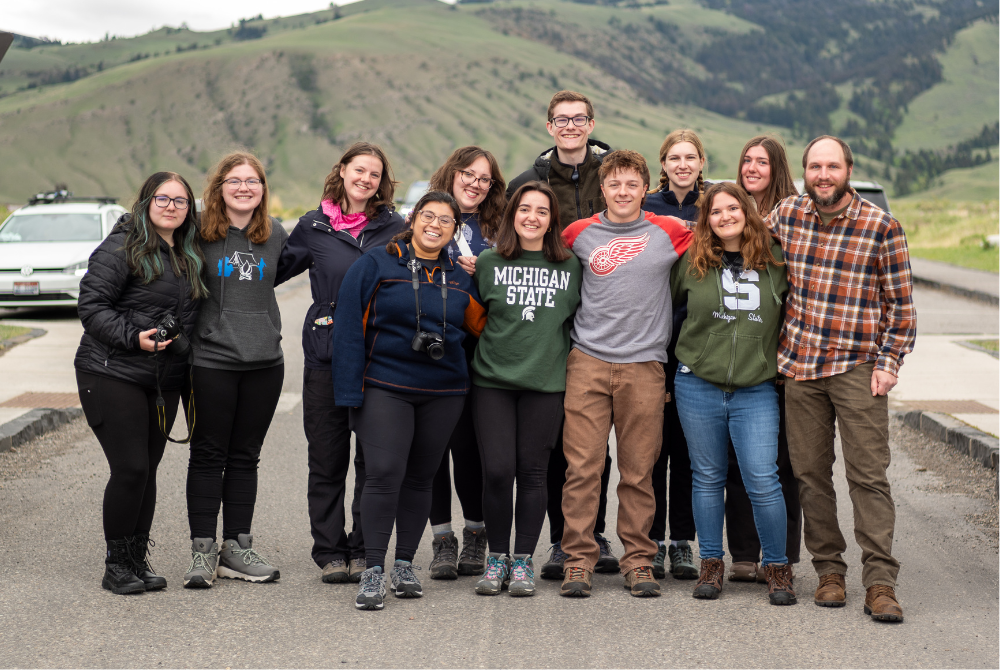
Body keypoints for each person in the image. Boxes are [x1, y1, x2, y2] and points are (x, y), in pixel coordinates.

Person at [765, 135, 915, 622]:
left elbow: (902, 307)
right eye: (814, 166)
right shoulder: (787, 215)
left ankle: (880, 583)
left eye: (832, 166)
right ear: (803, 171)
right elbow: (735, 234)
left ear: (848, 169)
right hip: (801, 370)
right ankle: (830, 572)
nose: (823, 175)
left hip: (858, 370)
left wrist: (889, 363)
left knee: (868, 478)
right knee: (810, 478)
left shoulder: (881, 226)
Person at [333, 191, 486, 611]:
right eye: (428, 216)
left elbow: (482, 326)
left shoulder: (459, 275)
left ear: (455, 230)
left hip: (444, 392)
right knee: (384, 472)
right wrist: (349, 395)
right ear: (414, 219)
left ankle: (403, 564)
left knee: (420, 477)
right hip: (385, 386)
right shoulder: (377, 264)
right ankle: (373, 570)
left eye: (446, 221)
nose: (435, 225)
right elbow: (348, 328)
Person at [558, 149, 692, 598]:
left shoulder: (669, 232)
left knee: (638, 471)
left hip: (644, 367)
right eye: (614, 183)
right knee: (582, 468)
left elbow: (720, 238)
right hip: (588, 362)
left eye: (631, 183)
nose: (622, 191)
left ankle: (638, 560)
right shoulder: (578, 234)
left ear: (645, 188)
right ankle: (578, 560)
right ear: (602, 188)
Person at [276, 142, 405, 585]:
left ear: (382, 182)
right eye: (359, 170)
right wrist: (222, 261)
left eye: (374, 173)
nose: (366, 179)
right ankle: (330, 550)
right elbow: (272, 270)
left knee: (372, 461)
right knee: (327, 459)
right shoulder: (313, 226)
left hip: (378, 358)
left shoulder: (395, 227)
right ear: (343, 172)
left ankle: (363, 549)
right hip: (326, 356)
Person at [75, 172, 206, 594]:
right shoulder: (122, 245)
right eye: (163, 198)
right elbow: (92, 306)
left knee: (148, 470)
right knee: (130, 468)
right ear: (146, 201)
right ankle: (116, 565)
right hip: (111, 371)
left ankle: (135, 558)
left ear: (190, 209)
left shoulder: (187, 250)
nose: (172, 206)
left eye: (181, 201)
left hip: (162, 376)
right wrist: (134, 337)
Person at [507, 89, 619, 578]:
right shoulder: (526, 182)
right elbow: (508, 241)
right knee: (561, 443)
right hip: (550, 320)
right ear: (548, 126)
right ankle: (561, 539)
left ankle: (593, 533)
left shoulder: (615, 176)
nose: (570, 126)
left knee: (600, 447)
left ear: (591, 124)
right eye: (561, 119)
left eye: (579, 118)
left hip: (607, 319)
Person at [670, 182, 795, 606]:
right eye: (715, 212)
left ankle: (777, 567)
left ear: (747, 211)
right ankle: (710, 564)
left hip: (755, 388)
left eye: (732, 209)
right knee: (707, 478)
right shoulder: (692, 261)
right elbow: (671, 311)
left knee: (763, 479)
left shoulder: (777, 260)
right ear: (706, 220)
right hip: (697, 383)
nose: (724, 217)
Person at [470, 182, 582, 597]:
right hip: (492, 381)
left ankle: (522, 562)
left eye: (542, 211)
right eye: (524, 209)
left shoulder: (570, 265)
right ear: (512, 214)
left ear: (553, 220)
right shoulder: (488, 261)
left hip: (545, 383)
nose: (532, 217)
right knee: (498, 471)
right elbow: (476, 315)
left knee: (533, 473)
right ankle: (496, 557)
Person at [183, 152, 289, 588]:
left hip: (265, 362)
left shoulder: (276, 234)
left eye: (253, 181)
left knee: (246, 456)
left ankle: (237, 547)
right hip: (211, 362)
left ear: (263, 189)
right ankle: (203, 551)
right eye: (235, 180)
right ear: (219, 186)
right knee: (208, 454)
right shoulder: (197, 231)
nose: (244, 187)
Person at [425, 146, 506, 580]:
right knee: (434, 448)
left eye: (484, 178)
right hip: (436, 342)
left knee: (471, 447)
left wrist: (486, 269)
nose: (475, 184)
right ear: (452, 173)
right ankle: (442, 539)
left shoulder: (499, 225)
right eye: (468, 174)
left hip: (484, 346)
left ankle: (477, 534)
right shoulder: (426, 214)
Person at [725, 135, 803, 583]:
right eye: (746, 161)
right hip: (737, 357)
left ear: (777, 168)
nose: (752, 168)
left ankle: (783, 557)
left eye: (762, 162)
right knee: (738, 459)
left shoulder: (791, 216)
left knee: (780, 464)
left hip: (784, 358)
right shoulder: (729, 213)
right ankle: (743, 554)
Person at [643, 129, 710, 580]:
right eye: (673, 157)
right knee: (651, 448)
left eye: (690, 157)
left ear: (702, 162)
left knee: (686, 448)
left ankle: (682, 542)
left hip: (698, 336)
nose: (682, 164)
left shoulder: (718, 204)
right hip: (649, 335)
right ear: (662, 163)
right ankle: (649, 542)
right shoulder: (646, 207)